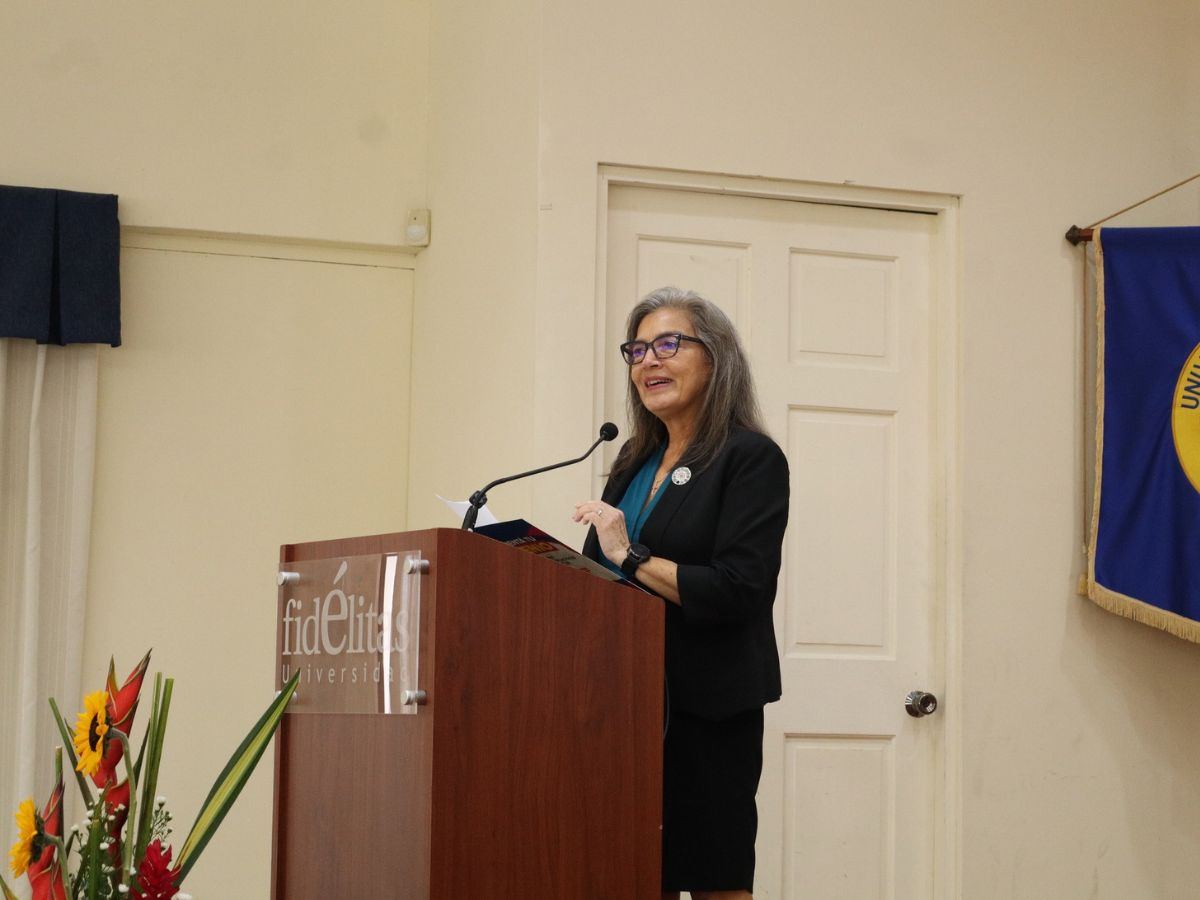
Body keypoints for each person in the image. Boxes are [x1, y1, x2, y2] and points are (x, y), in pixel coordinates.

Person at [573, 286, 789, 900]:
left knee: (716, 879)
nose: (649, 361)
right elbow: (600, 574)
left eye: (668, 344)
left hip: (708, 709)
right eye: (637, 350)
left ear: (716, 358)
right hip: (625, 706)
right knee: (640, 875)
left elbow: (739, 589)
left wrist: (631, 554)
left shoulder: (749, 457)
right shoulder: (632, 459)